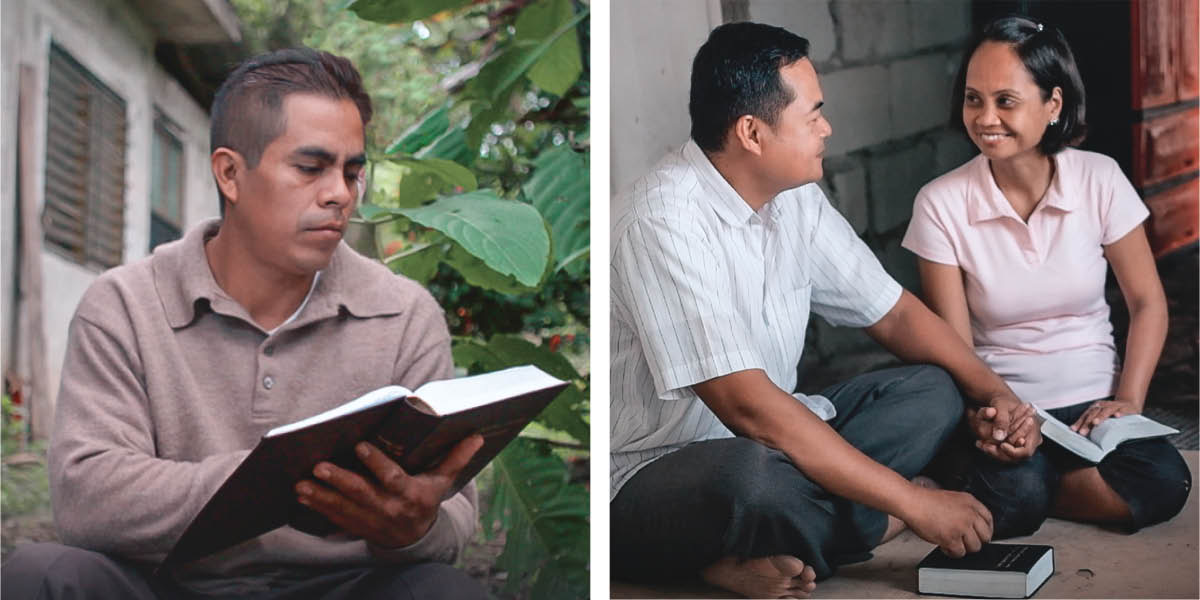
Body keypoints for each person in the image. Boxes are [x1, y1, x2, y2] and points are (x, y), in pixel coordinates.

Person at [1, 49, 488, 599]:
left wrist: (415, 526)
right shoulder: (125, 305)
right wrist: (279, 477)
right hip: (170, 586)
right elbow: (88, 497)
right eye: (311, 168)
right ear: (230, 173)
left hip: (347, 588)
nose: (340, 194)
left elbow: (452, 517)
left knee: (445, 591)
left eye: (352, 173)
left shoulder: (404, 314)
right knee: (39, 575)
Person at [610, 22, 1041, 599]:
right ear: (752, 132)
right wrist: (912, 503)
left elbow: (893, 314)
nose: (826, 128)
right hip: (658, 470)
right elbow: (747, 408)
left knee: (934, 389)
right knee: (753, 484)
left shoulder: (795, 199)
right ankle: (845, 528)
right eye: (812, 115)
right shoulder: (662, 222)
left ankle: (776, 541)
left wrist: (997, 394)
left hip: (780, 436)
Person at [902, 16, 1191, 538]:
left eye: (1005, 101)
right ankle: (1023, 486)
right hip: (1005, 406)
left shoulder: (1099, 178)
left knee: (1167, 481)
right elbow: (954, 347)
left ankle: (1016, 488)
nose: (985, 118)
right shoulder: (940, 203)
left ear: (1053, 104)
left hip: (1094, 405)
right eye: (973, 99)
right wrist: (991, 415)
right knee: (1018, 493)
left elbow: (1148, 302)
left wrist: (1129, 400)